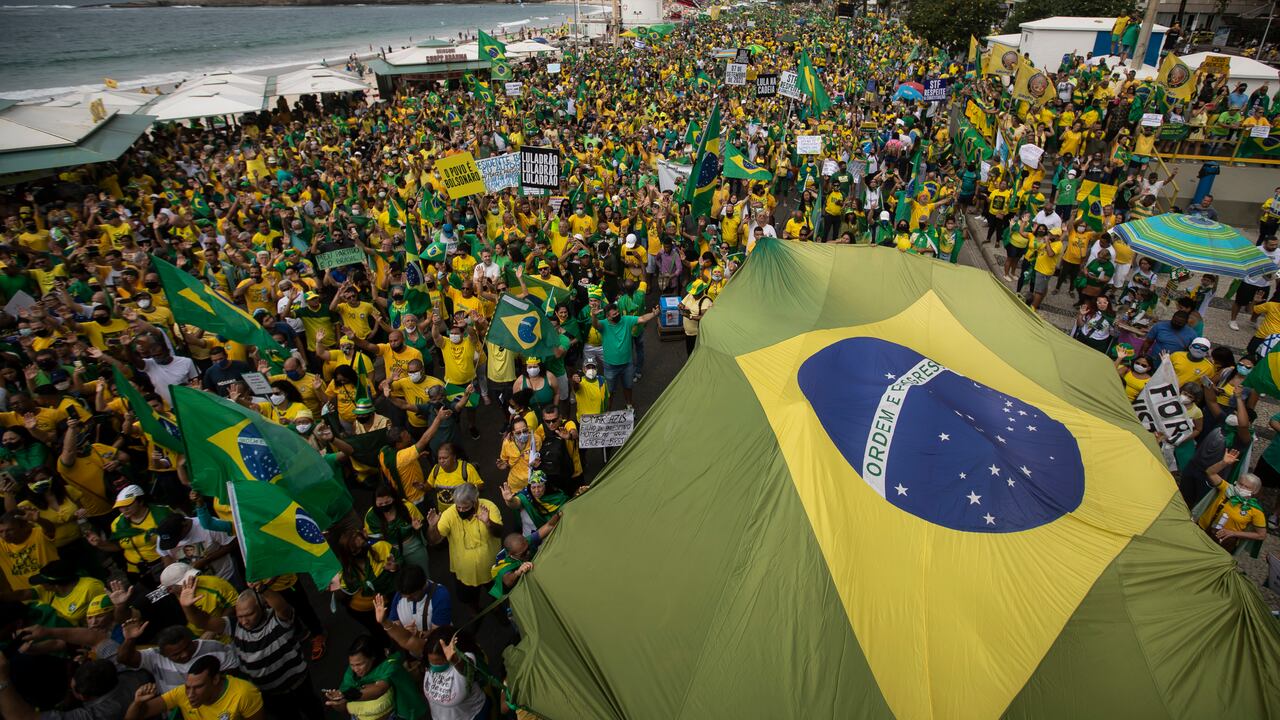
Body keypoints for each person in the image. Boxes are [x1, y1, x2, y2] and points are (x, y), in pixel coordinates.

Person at [224, 587, 323, 720]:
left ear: (262, 607)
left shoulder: (277, 619)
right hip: (270, 694)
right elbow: (205, 622)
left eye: (249, 614)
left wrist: (263, 588)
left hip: (298, 684)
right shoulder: (235, 626)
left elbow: (282, 608)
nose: (244, 621)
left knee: (313, 710)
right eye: (240, 616)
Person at [424, 483, 502, 610]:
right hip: (464, 573)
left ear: (475, 501)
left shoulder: (488, 507)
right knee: (469, 599)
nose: (460, 511)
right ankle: (476, 613)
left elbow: (499, 533)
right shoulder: (449, 514)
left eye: (465, 508)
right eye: (458, 507)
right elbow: (434, 541)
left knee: (497, 594)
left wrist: (488, 522)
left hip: (492, 569)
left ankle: (498, 609)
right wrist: (432, 527)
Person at [123, 655, 264, 720]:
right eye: (188, 687)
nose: (190, 694)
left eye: (198, 687)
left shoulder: (245, 693)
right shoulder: (181, 693)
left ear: (215, 679)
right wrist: (138, 702)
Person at [1195, 450, 1266, 553]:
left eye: (1247, 487)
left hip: (1223, 542)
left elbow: (1261, 535)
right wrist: (1224, 462)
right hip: (1201, 530)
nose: (1242, 488)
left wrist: (1233, 533)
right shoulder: (1227, 489)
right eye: (1241, 484)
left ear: (1254, 491)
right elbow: (1210, 472)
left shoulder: (1256, 511)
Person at [420, 629, 490, 720]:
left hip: (472, 716)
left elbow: (467, 668)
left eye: (439, 662)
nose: (435, 667)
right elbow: (407, 641)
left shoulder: (465, 658)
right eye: (432, 663)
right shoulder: (428, 659)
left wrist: (455, 660)